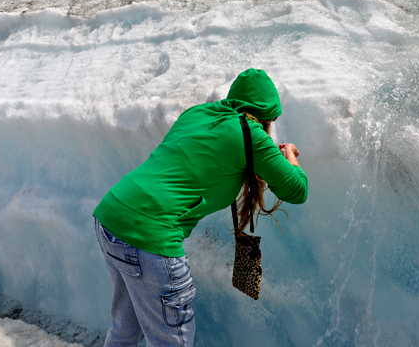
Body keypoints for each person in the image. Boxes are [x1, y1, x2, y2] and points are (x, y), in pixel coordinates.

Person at [93, 68, 308, 347]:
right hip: (152, 236)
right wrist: (290, 156)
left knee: (124, 332)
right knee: (172, 342)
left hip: (111, 216)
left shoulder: (197, 114)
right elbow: (297, 189)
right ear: (267, 115)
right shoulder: (251, 136)